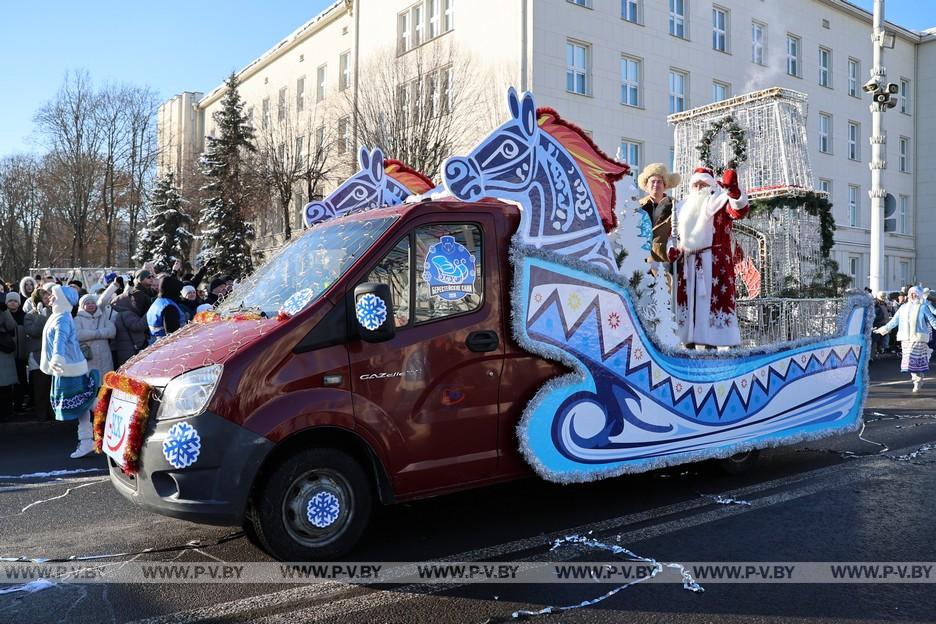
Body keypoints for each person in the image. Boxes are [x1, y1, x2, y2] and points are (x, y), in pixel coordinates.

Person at [667, 165, 749, 349]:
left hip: (713, 263)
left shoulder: (720, 201)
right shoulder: (682, 206)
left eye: (703, 184)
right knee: (690, 306)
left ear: (711, 185)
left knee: (711, 305)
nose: (699, 188)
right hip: (687, 264)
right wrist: (671, 249)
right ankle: (690, 345)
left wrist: (734, 192)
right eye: (696, 184)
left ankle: (713, 347)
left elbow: (738, 211)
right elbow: (674, 236)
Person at [40, 285, 100, 457]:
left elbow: (61, 337)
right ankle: (88, 441)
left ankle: (116, 419)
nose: (50, 298)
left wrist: (58, 357)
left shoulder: (62, 318)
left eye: (53, 295)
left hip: (68, 368)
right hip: (67, 368)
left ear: (62, 299)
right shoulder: (58, 315)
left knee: (84, 404)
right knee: (84, 405)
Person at [875, 286, 936, 392]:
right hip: (906, 339)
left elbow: (932, 320)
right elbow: (894, 321)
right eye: (911, 293)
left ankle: (917, 381)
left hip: (918, 339)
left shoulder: (923, 307)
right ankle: (917, 379)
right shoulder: (903, 308)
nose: (913, 295)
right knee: (909, 363)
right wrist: (882, 329)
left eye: (915, 293)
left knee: (916, 362)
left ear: (919, 295)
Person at [637, 163, 681, 272]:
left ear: (665, 185)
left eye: (659, 181)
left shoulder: (675, 206)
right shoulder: (638, 207)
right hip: (642, 260)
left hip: (665, 261)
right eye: (652, 181)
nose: (656, 184)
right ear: (646, 186)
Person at [24, 288, 53, 420]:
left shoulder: (56, 312)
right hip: (37, 356)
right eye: (43, 297)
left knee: (53, 387)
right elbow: (33, 331)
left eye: (48, 296)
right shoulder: (30, 315)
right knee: (41, 387)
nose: (47, 299)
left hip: (54, 355)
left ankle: (54, 414)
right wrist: (42, 314)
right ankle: (42, 415)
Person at [75, 293, 117, 380]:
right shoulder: (77, 319)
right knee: (92, 382)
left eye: (93, 303)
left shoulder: (103, 317)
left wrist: (93, 333)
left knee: (107, 381)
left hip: (105, 354)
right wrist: (98, 334)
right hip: (89, 356)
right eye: (87, 303)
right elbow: (78, 335)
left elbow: (112, 331)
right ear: (82, 306)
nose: (91, 305)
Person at [146, 275, 187, 343]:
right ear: (172, 290)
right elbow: (173, 335)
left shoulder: (157, 302)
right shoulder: (169, 307)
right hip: (167, 346)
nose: (179, 294)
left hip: (156, 344)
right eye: (178, 290)